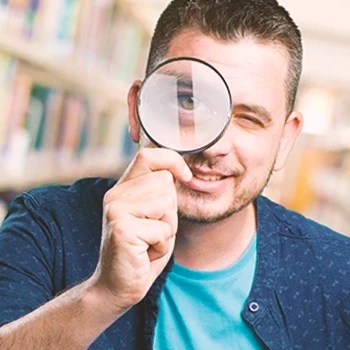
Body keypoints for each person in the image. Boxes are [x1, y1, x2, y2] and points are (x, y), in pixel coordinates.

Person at [0, 0, 349, 349]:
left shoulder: (340, 274)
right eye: (189, 102)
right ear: (137, 110)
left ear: (285, 139)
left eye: (249, 119)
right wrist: (101, 296)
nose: (214, 147)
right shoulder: (46, 225)